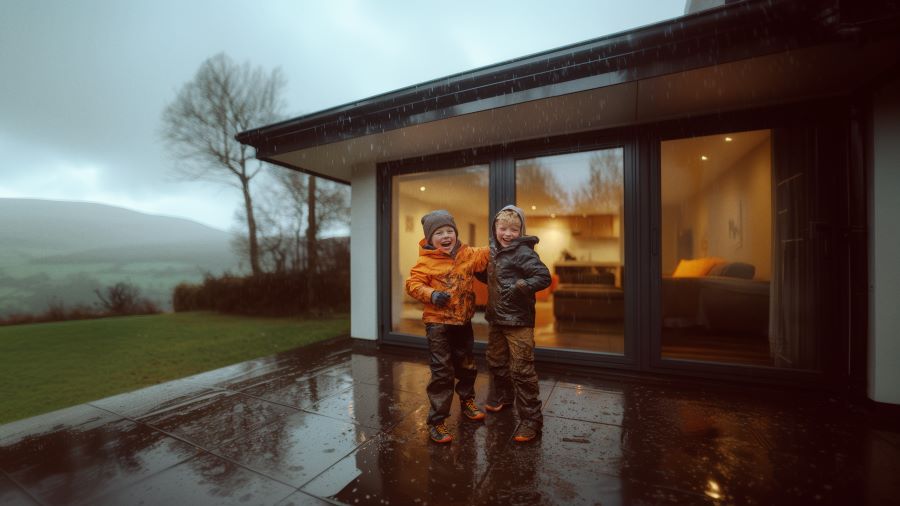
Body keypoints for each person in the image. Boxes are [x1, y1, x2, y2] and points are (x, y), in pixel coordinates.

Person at [406, 210, 490, 443]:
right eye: (439, 233)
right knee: (442, 372)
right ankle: (437, 421)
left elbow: (488, 253)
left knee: (467, 364)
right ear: (430, 239)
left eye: (449, 231)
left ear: (455, 234)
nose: (445, 236)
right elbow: (412, 284)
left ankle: (467, 400)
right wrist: (431, 294)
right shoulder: (425, 261)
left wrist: (510, 240)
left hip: (462, 322)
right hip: (438, 324)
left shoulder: (467, 254)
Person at [481, 205, 551, 442]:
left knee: (522, 370)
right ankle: (505, 397)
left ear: (521, 230)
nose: (508, 234)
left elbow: (543, 276)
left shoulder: (524, 253)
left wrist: (521, 286)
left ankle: (531, 420)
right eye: (503, 228)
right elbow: (491, 275)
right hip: (496, 319)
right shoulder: (492, 251)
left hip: (519, 321)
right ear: (495, 228)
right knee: (496, 362)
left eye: (514, 229)